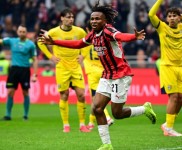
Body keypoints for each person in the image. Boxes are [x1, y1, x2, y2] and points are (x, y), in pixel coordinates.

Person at [39, 1, 157, 149]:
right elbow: (78, 44)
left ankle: (144, 109)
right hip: (107, 75)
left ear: (105, 20)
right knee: (96, 108)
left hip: (120, 75)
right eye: (92, 19)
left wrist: (134, 37)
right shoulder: (93, 34)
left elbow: (120, 36)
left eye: (97, 19)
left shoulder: (109, 31)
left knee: (117, 114)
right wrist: (54, 42)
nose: (94, 21)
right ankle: (107, 145)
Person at [148, 0, 182, 136]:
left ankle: (168, 124)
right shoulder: (162, 27)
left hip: (180, 67)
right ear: (166, 19)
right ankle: (169, 128)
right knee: (173, 97)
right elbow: (151, 14)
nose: (172, 18)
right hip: (167, 66)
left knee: (181, 98)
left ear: (179, 18)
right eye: (169, 16)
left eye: (174, 16)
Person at [37, 8, 90, 133]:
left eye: (72, 17)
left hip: (76, 67)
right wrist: (50, 56)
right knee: (64, 95)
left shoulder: (79, 31)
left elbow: (89, 42)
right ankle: (66, 125)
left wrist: (83, 55)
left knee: (81, 95)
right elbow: (40, 42)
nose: (71, 19)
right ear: (61, 18)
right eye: (68, 17)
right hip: (62, 67)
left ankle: (82, 124)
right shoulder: (54, 32)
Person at [79, 24, 114, 130]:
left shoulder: (85, 42)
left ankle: (107, 117)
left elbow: (80, 57)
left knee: (96, 99)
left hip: (92, 74)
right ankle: (91, 122)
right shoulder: (102, 40)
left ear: (87, 29)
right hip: (104, 72)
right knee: (99, 98)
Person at [0, 25, 38, 121]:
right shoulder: (12, 41)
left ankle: (25, 115)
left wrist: (35, 74)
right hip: (14, 70)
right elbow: (1, 41)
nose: (22, 33)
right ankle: (8, 115)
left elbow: (35, 59)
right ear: (17, 32)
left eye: (23, 32)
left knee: (25, 92)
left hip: (24, 70)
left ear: (26, 33)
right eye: (20, 31)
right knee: (10, 92)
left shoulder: (31, 45)